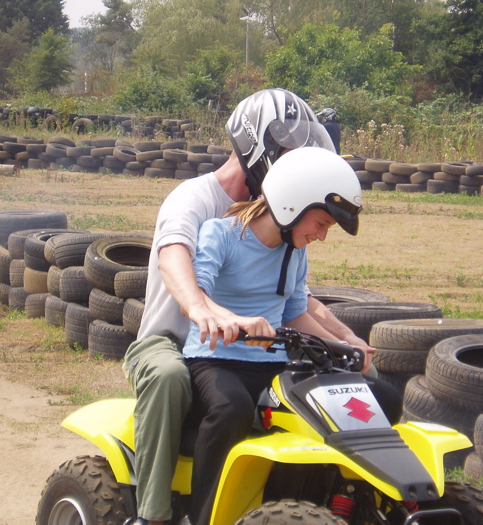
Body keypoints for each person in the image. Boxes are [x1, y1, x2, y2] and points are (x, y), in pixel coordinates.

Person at [122, 88, 375, 525]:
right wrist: (203, 309)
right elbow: (173, 256)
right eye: (292, 156)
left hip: (248, 343)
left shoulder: (280, 217)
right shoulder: (195, 199)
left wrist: (344, 339)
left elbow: (295, 298)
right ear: (259, 147)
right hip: (174, 339)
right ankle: (154, 514)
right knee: (168, 377)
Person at [184, 147, 368, 525]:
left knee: (326, 414)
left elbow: (295, 312)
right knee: (230, 409)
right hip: (215, 359)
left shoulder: (294, 252)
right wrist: (235, 320)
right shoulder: (222, 234)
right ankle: (201, 516)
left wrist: (344, 348)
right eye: (320, 224)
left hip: (274, 365)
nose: (321, 236)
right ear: (291, 206)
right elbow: (196, 295)